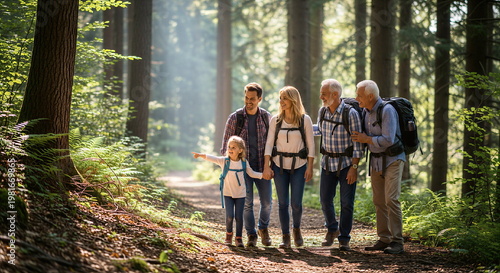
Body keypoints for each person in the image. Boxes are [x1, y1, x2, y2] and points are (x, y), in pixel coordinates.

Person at [351, 80, 406, 254]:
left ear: (370, 96)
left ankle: (397, 241)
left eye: (359, 95)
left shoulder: (387, 110)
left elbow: (389, 139)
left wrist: (366, 139)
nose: (356, 98)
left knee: (391, 199)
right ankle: (384, 238)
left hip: (393, 159)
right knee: (379, 201)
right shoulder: (364, 111)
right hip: (376, 160)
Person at [220, 82, 273, 247]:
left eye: (252, 99)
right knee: (247, 204)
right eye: (246, 97)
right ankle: (251, 235)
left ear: (259, 99)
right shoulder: (235, 118)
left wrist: (270, 165)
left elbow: (273, 143)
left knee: (267, 202)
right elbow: (224, 147)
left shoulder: (266, 117)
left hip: (262, 165)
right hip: (242, 169)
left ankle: (262, 228)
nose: (248, 101)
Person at [314, 79, 364, 251]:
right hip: (327, 163)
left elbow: (358, 144)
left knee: (346, 202)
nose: (321, 96)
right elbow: (318, 130)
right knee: (325, 200)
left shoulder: (350, 114)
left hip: (346, 165)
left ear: (335, 95)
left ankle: (344, 238)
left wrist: (354, 168)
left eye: (324, 94)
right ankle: (332, 228)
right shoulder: (322, 111)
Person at [263, 86, 315, 248]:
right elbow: (269, 144)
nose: (281, 101)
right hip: (278, 166)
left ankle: (297, 230)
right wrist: (266, 166)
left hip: (299, 166)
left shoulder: (304, 119)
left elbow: (311, 145)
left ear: (293, 99)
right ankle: (285, 236)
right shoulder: (276, 120)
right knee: (283, 203)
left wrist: (310, 167)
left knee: (296, 203)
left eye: (284, 98)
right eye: (280, 98)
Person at [193, 136, 263, 248]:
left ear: (240, 150)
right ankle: (229, 234)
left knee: (239, 217)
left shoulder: (244, 162)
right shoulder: (224, 161)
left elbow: (252, 173)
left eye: (233, 147)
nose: (230, 149)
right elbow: (213, 158)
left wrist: (264, 176)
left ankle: (239, 238)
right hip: (228, 193)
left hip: (240, 194)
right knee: (230, 216)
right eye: (229, 147)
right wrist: (201, 155)